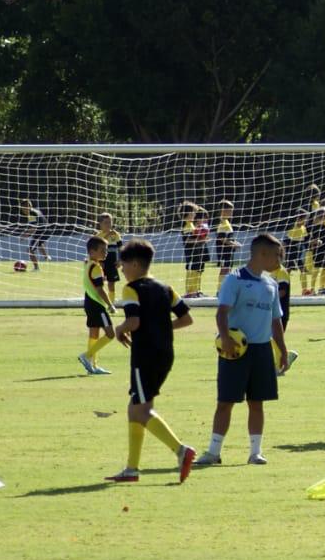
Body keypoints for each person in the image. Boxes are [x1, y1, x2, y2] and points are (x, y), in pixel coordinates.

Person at [105, 239, 197, 484]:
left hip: (145, 354)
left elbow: (133, 322)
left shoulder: (131, 289)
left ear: (134, 264)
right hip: (165, 353)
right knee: (136, 408)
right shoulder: (166, 288)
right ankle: (132, 469)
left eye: (123, 264)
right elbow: (187, 318)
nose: (121, 269)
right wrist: (162, 329)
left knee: (140, 409)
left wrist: (119, 329)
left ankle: (181, 450)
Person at [195, 234, 288, 466]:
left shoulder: (271, 284)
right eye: (277, 255)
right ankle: (213, 452)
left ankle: (255, 452)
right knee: (225, 401)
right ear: (261, 254)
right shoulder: (234, 279)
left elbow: (276, 320)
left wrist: (282, 350)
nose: (280, 259)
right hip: (235, 351)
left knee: (257, 402)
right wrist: (225, 338)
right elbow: (221, 312)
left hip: (262, 351)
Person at [78, 236, 117, 375]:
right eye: (102, 250)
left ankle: (92, 366)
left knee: (94, 334)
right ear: (92, 251)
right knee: (111, 334)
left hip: (89, 302)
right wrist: (110, 304)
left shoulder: (88, 263)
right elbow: (100, 289)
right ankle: (87, 356)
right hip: (97, 304)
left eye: (106, 250)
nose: (105, 252)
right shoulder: (96, 268)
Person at [180, 202, 209, 298]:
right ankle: (190, 292)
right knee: (192, 271)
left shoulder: (192, 225)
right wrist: (201, 239)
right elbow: (188, 240)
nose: (195, 214)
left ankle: (196, 291)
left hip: (197, 253)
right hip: (191, 253)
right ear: (187, 213)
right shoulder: (188, 226)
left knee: (197, 271)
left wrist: (202, 238)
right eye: (193, 212)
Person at [96, 212, 123, 301]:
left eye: (110, 222)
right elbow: (98, 246)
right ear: (100, 224)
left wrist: (120, 260)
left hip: (112, 263)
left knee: (111, 284)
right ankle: (100, 302)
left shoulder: (116, 235)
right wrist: (99, 263)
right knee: (99, 284)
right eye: (106, 222)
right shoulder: (98, 236)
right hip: (101, 264)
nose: (108, 224)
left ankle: (111, 303)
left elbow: (120, 248)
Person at [214, 200, 239, 288]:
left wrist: (235, 242)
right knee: (224, 270)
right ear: (223, 211)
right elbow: (221, 238)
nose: (232, 212)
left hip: (229, 252)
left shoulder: (227, 223)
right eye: (230, 210)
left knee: (228, 269)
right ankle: (220, 289)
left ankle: (225, 288)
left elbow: (228, 238)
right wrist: (233, 244)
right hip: (223, 252)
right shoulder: (223, 224)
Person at [20, 198, 51, 271]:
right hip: (45, 231)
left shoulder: (31, 213)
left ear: (27, 206)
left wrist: (24, 235)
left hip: (42, 232)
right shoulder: (35, 211)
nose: (22, 210)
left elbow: (33, 228)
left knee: (30, 250)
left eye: (23, 208)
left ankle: (36, 268)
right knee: (39, 244)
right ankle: (47, 257)